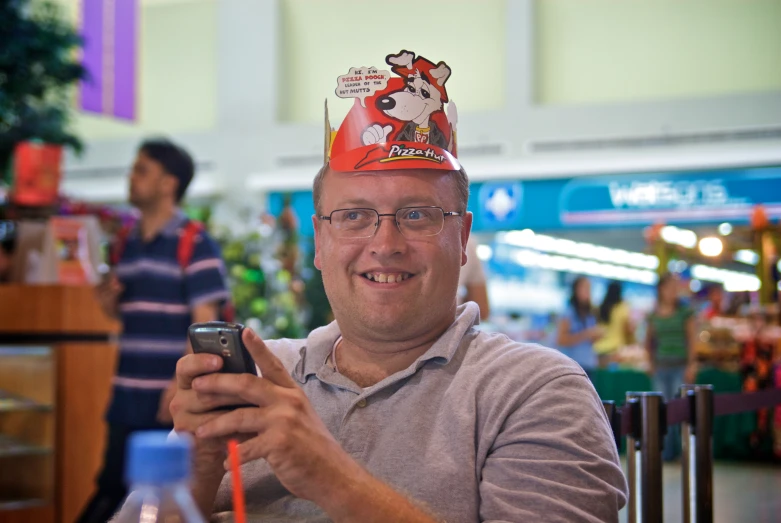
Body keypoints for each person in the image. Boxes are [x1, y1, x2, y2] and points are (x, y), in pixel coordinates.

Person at [167, 50, 626, 522]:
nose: (385, 244)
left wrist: (331, 478)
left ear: (463, 238)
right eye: (353, 217)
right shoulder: (258, 380)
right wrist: (194, 473)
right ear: (321, 241)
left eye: (417, 215)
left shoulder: (533, 390)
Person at [77, 139, 230, 523]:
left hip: (167, 400)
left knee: (154, 497)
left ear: (168, 183)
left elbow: (205, 321)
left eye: (141, 170)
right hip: (126, 391)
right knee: (115, 485)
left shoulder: (193, 241)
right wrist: (106, 301)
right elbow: (124, 314)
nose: (131, 177)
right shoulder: (127, 242)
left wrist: (176, 386)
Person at [645, 272, 697, 461]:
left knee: (679, 409)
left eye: (676, 287)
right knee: (661, 410)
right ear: (661, 289)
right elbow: (649, 341)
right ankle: (665, 452)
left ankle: (683, 451)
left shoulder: (686, 312)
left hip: (680, 366)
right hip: (660, 367)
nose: (674, 291)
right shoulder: (653, 315)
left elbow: (691, 340)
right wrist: (650, 363)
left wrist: (692, 365)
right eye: (670, 287)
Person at [556, 276, 603, 376]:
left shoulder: (590, 314)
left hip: (589, 365)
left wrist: (595, 336)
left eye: (589, 289)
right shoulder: (568, 313)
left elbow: (590, 340)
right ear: (575, 290)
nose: (588, 292)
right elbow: (561, 340)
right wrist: (585, 334)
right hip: (572, 366)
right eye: (584, 288)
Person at [594, 280, 634, 368]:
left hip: (598, 349)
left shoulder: (601, 307)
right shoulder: (622, 307)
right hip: (615, 352)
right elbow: (627, 329)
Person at [458, 236, 490, 320]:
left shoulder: (467, 242)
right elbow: (481, 309)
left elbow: (482, 309)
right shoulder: (466, 241)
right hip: (449, 328)